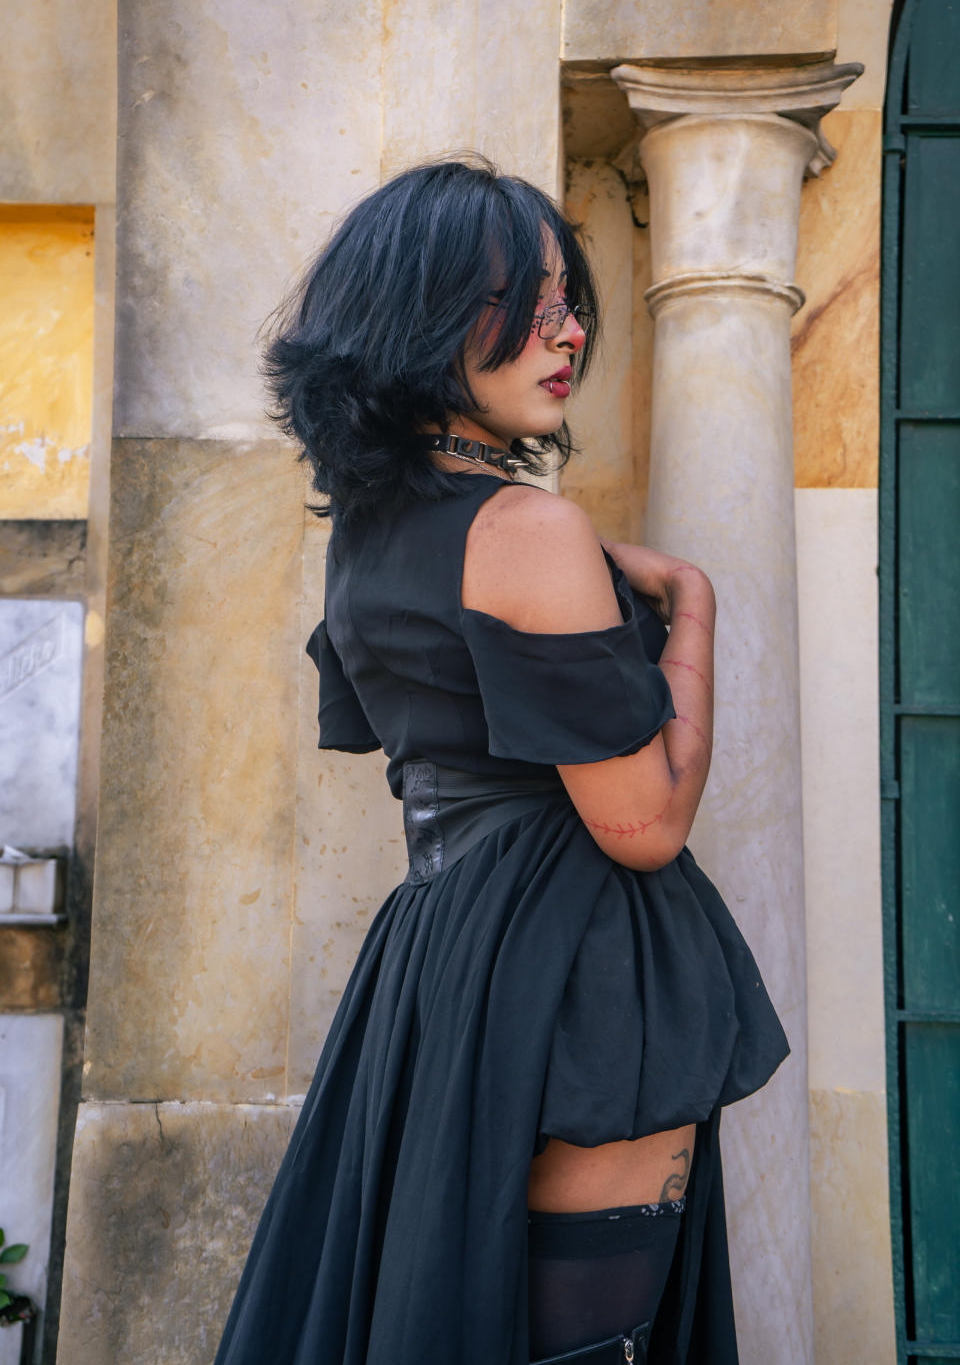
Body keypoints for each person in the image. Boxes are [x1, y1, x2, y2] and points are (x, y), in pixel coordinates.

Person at [213, 156, 789, 1365]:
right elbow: (646, 823)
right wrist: (692, 609)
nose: (566, 331)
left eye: (569, 301)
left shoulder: (371, 535)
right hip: (578, 973)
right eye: (524, 302)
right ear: (420, 315)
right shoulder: (526, 527)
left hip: (441, 966)